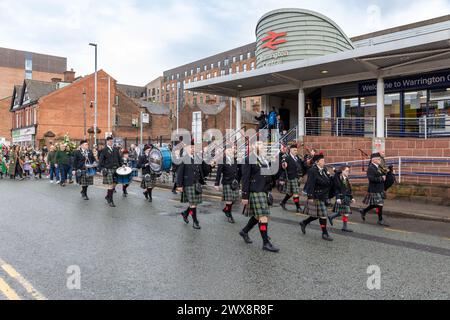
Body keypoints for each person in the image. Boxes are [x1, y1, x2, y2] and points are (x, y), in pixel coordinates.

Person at [239, 141, 280, 253]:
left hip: (264, 190)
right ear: (255, 147)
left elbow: (271, 175)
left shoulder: (264, 159)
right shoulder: (249, 159)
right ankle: (266, 243)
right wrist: (245, 196)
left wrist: (276, 164)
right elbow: (245, 178)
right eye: (261, 145)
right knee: (263, 216)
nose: (263, 147)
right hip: (255, 191)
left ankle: (244, 231)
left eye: (263, 145)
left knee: (258, 217)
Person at [300, 153, 334, 241]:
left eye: (324, 160)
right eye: (322, 161)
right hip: (316, 195)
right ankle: (324, 233)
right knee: (323, 215)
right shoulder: (312, 170)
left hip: (324, 195)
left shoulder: (324, 169)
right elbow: (310, 184)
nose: (324, 162)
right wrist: (310, 196)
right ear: (317, 162)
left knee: (318, 215)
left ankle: (304, 222)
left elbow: (328, 179)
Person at [176, 143, 207, 230]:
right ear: (186, 149)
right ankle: (195, 222)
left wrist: (210, 164)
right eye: (191, 147)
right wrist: (179, 185)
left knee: (195, 203)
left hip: (197, 184)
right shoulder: (184, 159)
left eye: (193, 147)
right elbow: (180, 173)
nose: (193, 149)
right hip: (188, 184)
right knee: (193, 203)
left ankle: (185, 213)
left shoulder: (197, 157)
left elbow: (204, 170)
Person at [360, 153, 390, 227]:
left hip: (380, 188)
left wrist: (388, 172)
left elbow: (383, 173)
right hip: (375, 188)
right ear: (373, 160)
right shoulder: (371, 168)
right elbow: (371, 178)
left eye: (380, 159)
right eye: (379, 159)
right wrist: (381, 178)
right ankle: (380, 220)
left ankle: (364, 211)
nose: (380, 160)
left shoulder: (378, 167)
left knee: (376, 204)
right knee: (380, 204)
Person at [215, 146, 241, 224]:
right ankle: (229, 215)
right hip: (227, 182)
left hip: (235, 183)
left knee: (235, 198)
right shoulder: (222, 160)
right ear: (225, 151)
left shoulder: (235, 160)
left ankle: (226, 209)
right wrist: (216, 183)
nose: (230, 151)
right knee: (229, 199)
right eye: (228, 150)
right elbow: (218, 172)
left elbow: (239, 171)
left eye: (231, 150)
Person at [328, 166, 356, 232]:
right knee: (345, 212)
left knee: (343, 212)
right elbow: (336, 189)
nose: (348, 172)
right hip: (342, 197)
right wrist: (338, 198)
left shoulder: (346, 179)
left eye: (348, 171)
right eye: (346, 171)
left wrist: (352, 198)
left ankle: (331, 217)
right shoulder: (338, 178)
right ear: (342, 171)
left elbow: (349, 190)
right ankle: (344, 227)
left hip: (347, 197)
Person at [280, 144, 305, 213]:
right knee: (296, 192)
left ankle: (282, 202)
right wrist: (284, 164)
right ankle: (298, 207)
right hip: (291, 177)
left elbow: (300, 166)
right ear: (290, 150)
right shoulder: (287, 157)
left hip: (297, 177)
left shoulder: (297, 158)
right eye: (294, 150)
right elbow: (283, 164)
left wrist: (301, 175)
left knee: (290, 193)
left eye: (296, 150)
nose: (296, 151)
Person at [99, 136, 123, 207]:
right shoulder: (104, 150)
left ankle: (107, 196)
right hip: (108, 169)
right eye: (109, 141)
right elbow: (101, 161)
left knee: (115, 183)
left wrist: (122, 165)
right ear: (107, 142)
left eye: (112, 141)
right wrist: (100, 169)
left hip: (116, 169)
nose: (111, 142)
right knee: (110, 185)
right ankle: (110, 200)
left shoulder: (115, 149)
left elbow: (119, 159)